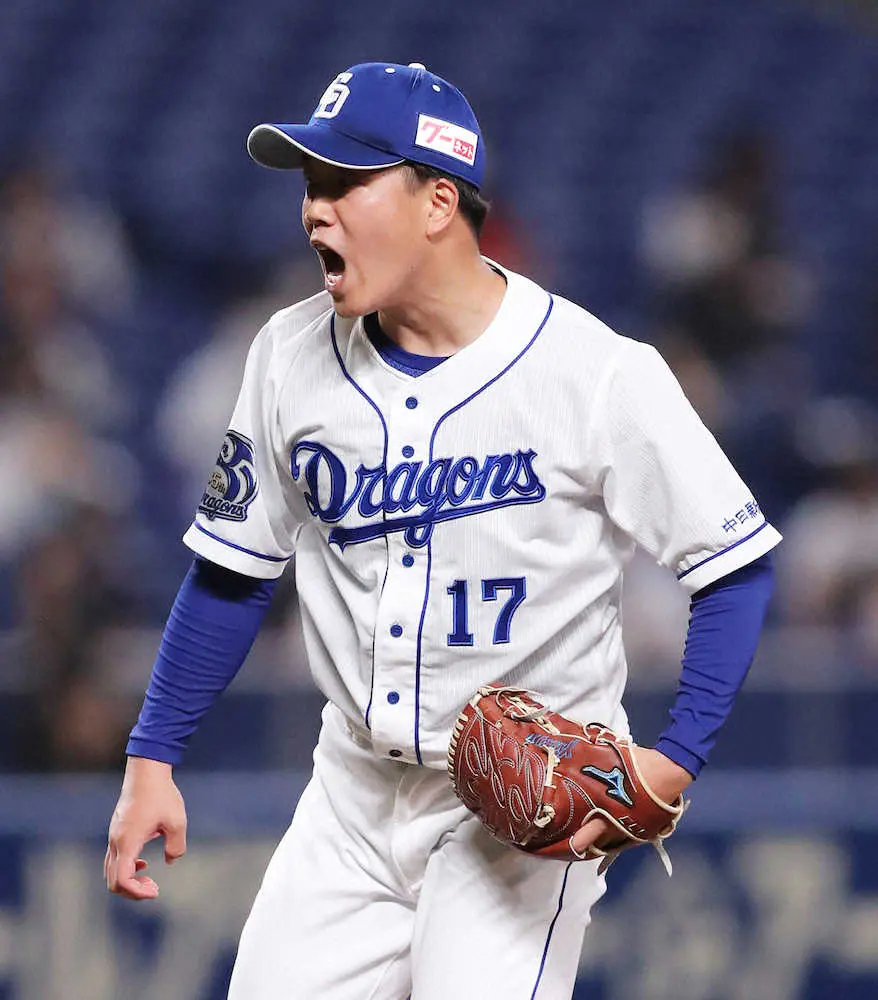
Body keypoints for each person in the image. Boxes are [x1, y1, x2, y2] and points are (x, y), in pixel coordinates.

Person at [105, 62, 781, 1000]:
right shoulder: (286, 354)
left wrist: (679, 755)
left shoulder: (595, 371)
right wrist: (152, 756)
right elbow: (231, 571)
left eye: (346, 182)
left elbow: (733, 565)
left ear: (437, 202)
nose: (315, 210)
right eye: (310, 183)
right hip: (349, 795)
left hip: (517, 812)